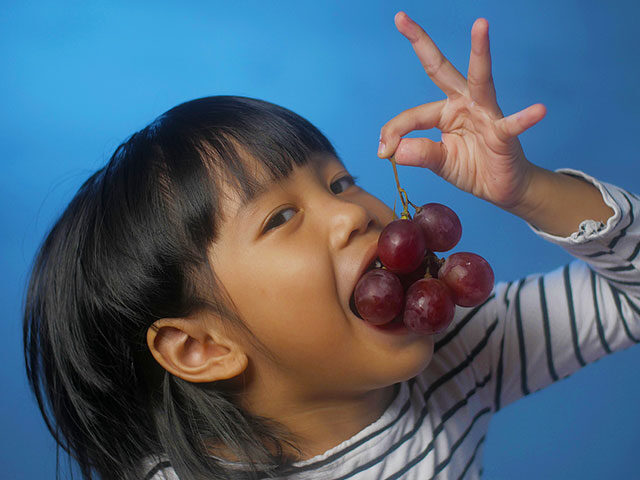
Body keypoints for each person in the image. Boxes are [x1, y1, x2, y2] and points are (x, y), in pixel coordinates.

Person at [23, 11, 639, 480]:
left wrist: (528, 189)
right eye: (280, 216)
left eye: (341, 181)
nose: (349, 212)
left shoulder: (459, 355)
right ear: (200, 346)